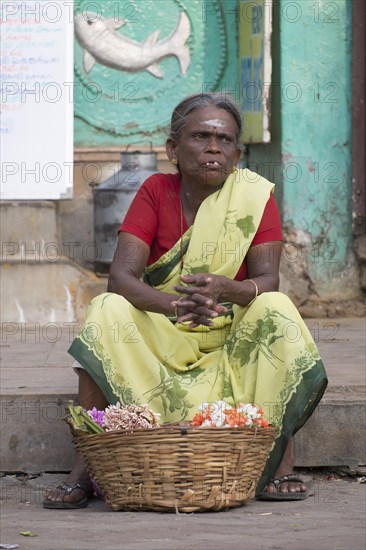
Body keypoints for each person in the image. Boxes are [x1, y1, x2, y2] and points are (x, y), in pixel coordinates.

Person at [43, 92, 327, 509]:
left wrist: (227, 290)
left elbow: (268, 280)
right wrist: (173, 306)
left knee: (276, 308)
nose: (214, 147)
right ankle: (85, 465)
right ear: (173, 149)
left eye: (225, 140)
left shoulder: (253, 196)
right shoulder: (155, 191)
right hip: (166, 330)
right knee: (106, 309)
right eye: (201, 137)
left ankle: (277, 459)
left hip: (230, 335)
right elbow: (121, 277)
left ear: (237, 153)